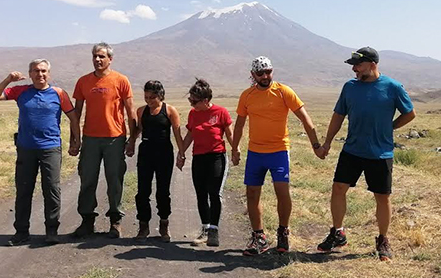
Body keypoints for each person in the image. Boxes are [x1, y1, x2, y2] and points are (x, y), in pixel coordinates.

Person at [316, 46, 416, 261]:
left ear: (372, 65)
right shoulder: (350, 87)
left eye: (358, 65)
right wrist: (327, 143)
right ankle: (337, 232)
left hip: (380, 153)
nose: (354, 70)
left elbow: (409, 113)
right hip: (352, 149)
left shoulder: (392, 87)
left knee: (382, 196)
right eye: (353, 66)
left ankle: (382, 239)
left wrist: (391, 127)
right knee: (338, 188)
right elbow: (337, 116)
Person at [232, 56, 325, 255]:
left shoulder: (284, 91)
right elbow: (239, 124)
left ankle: (283, 232)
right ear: (252, 75)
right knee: (252, 194)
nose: (265, 76)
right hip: (256, 152)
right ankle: (259, 237)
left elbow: (304, 118)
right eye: (260, 73)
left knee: (282, 192)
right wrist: (235, 148)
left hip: (279, 151)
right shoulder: (247, 96)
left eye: (269, 72)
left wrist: (316, 145)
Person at [0, 59, 80, 246]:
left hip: (50, 148)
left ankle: (52, 230)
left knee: (52, 190)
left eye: (43, 71)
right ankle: (21, 232)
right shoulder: (21, 91)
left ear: (49, 73)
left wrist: (75, 140)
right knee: (24, 191)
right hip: (26, 149)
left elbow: (73, 117)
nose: (40, 74)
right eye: (36, 71)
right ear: (30, 73)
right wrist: (8, 79)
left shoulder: (59, 93)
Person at [71, 43, 136, 239]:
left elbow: (130, 111)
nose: (97, 60)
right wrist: (74, 140)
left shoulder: (121, 80)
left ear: (110, 59)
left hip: (114, 139)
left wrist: (132, 139)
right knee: (87, 179)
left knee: (114, 181)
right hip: (90, 138)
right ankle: (87, 221)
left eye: (101, 56)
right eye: (95, 56)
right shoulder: (83, 81)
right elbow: (76, 113)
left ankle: (115, 221)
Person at [177, 79, 234, 247]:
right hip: (199, 158)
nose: (191, 104)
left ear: (206, 100)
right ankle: (205, 229)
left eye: (194, 101)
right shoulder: (193, 114)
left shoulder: (220, 112)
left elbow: (230, 135)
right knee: (201, 194)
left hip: (217, 157)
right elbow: (190, 135)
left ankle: (214, 232)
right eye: (190, 100)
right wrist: (181, 153)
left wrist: (236, 150)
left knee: (214, 193)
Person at [127, 80, 184, 242]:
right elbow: (137, 130)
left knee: (163, 191)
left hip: (164, 153)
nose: (149, 101)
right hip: (146, 152)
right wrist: (130, 143)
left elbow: (177, 134)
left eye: (152, 97)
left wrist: (181, 153)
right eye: (146, 97)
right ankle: (143, 225)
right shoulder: (141, 111)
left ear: (160, 95)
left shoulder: (170, 110)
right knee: (143, 190)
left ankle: (164, 223)